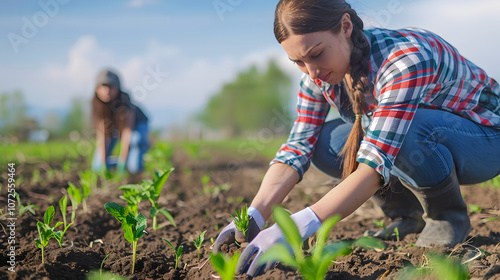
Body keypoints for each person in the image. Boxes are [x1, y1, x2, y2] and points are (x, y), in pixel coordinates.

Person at [212, 0, 500, 276]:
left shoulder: (404, 61)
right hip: (421, 144)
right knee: (325, 143)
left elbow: (375, 163)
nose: (312, 73)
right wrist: (255, 214)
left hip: (484, 142)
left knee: (410, 129)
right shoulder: (318, 77)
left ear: (346, 26)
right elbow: (297, 146)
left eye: (316, 54)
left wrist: (300, 226)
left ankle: (447, 217)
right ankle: (406, 216)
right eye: (298, 62)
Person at [91, 69, 149, 174]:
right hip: (115, 129)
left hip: (136, 126)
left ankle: (140, 150)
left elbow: (127, 133)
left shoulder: (125, 102)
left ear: (117, 89)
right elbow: (103, 136)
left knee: (135, 144)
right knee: (97, 166)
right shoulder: (97, 104)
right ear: (97, 88)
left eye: (110, 87)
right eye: (103, 87)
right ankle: (123, 161)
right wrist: (103, 162)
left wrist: (122, 160)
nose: (106, 91)